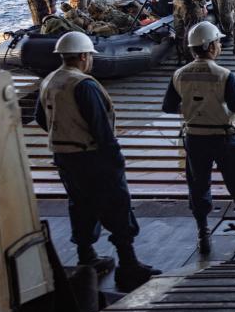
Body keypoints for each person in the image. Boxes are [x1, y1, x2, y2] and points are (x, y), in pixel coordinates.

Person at [34, 32, 160, 291]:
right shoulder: (84, 84)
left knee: (80, 204)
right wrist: (116, 161)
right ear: (83, 56)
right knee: (116, 205)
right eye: (90, 56)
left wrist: (65, 135)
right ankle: (128, 265)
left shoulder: (50, 80)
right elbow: (101, 129)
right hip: (92, 157)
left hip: (64, 157)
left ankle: (87, 257)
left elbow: (40, 117)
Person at [162, 21, 235, 255]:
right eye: (218, 42)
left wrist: (193, 108)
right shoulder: (224, 75)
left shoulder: (179, 74)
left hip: (194, 137)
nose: (220, 46)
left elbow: (169, 106)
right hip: (224, 137)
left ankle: (203, 233)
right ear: (211, 46)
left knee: (198, 185)